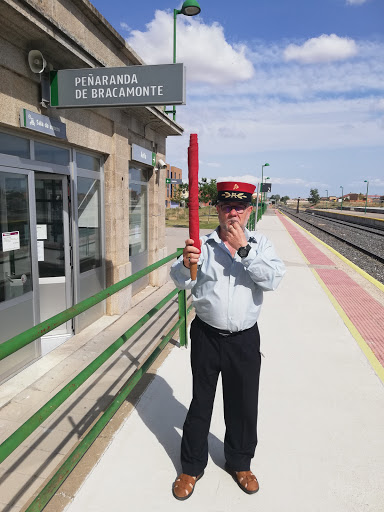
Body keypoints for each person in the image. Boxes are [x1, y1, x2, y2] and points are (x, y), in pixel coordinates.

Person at [169, 181, 286, 500]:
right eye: (226, 206)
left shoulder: (261, 244)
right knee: (200, 403)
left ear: (250, 210)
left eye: (239, 207)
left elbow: (273, 279)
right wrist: (183, 263)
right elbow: (180, 282)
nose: (232, 212)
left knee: (243, 403)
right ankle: (191, 467)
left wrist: (244, 250)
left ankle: (240, 462)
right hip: (207, 335)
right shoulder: (203, 244)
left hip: (244, 340)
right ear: (217, 209)